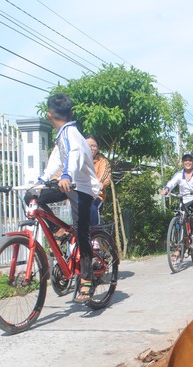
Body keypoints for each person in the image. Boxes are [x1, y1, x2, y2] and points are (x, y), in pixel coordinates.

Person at [33, 93, 101, 303]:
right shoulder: (61, 135)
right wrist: (41, 180)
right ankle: (61, 233)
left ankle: (87, 278)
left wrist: (67, 175)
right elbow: (56, 159)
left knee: (82, 232)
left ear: (48, 115)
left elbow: (76, 155)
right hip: (67, 183)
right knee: (32, 197)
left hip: (83, 187)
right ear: (70, 113)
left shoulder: (72, 134)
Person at [160, 152, 193, 237]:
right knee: (178, 220)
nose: (188, 162)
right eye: (185, 160)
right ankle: (179, 246)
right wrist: (166, 189)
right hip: (185, 200)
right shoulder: (179, 175)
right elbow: (171, 183)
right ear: (182, 162)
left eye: (190, 160)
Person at [85, 135, 112, 226]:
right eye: (88, 145)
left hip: (95, 195)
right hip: (78, 194)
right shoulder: (77, 160)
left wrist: (100, 184)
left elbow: (104, 177)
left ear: (98, 148)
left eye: (94, 146)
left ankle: (94, 234)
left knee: (91, 206)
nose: (91, 148)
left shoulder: (102, 161)